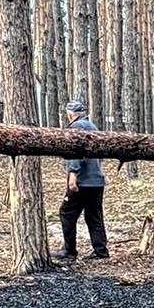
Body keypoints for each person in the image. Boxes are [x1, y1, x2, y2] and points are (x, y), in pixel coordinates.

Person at [57, 100, 109, 260]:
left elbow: (75, 151)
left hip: (83, 181)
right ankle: (101, 251)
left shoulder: (76, 128)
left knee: (66, 212)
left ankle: (69, 251)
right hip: (97, 181)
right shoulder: (92, 127)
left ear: (70, 114)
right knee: (94, 215)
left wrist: (73, 174)